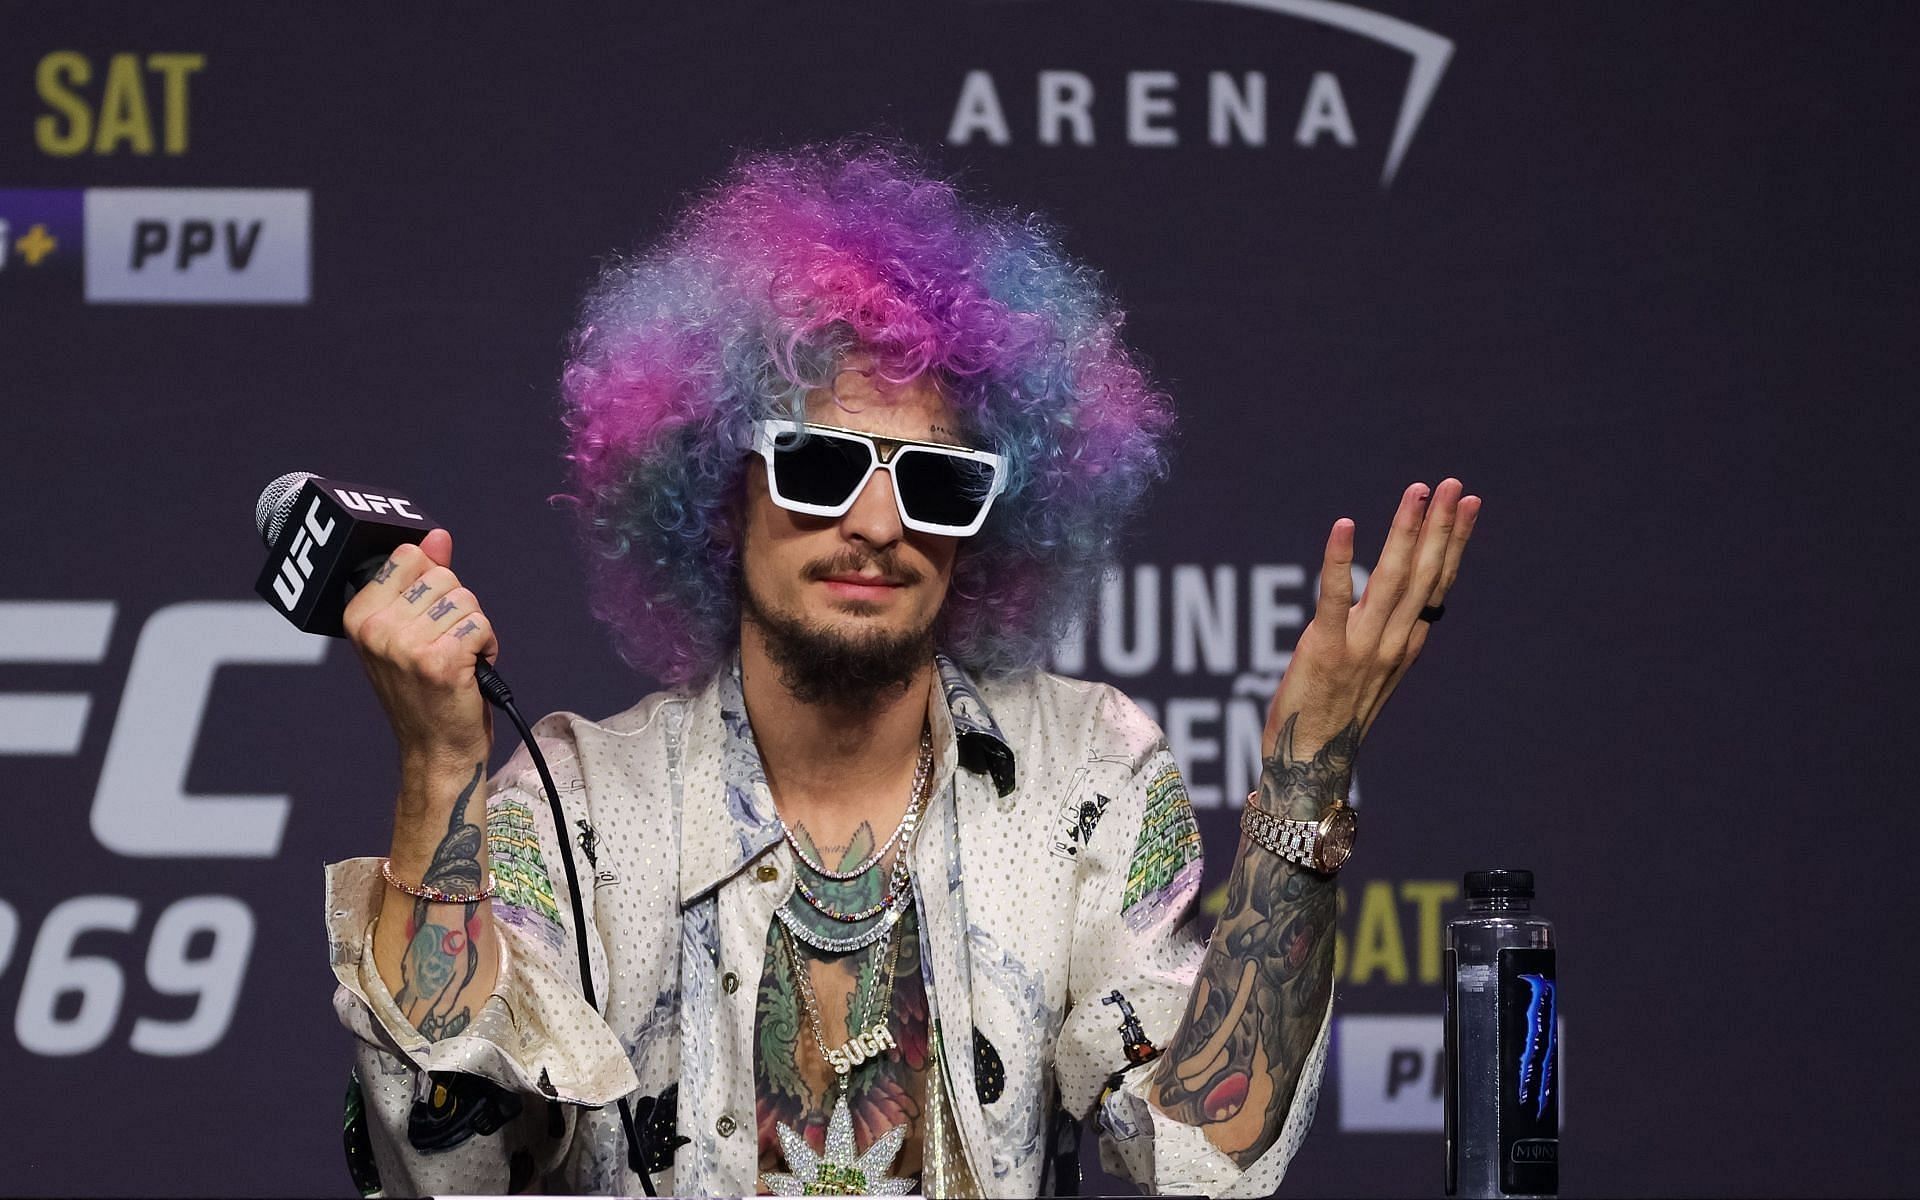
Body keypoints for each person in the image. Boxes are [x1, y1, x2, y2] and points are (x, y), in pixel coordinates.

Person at [324, 140, 1480, 1198]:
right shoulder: (573, 804)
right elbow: (447, 1174)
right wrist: (438, 768)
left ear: (989, 524)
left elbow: (1210, 1155)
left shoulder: (1088, 776)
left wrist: (1305, 773)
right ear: (721, 490)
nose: (878, 523)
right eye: (822, 466)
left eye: (935, 482)